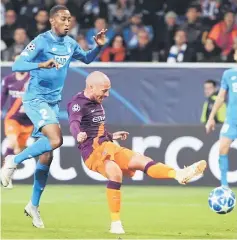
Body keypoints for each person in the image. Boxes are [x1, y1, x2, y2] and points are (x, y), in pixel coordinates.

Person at [1, 5, 107, 228]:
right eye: (63, 19)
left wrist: (97, 47)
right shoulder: (41, 41)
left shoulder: (69, 44)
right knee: (56, 140)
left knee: (47, 155)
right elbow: (18, 64)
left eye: (69, 19)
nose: (67, 22)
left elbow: (87, 59)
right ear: (52, 21)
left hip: (51, 103)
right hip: (35, 99)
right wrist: (40, 63)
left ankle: (33, 206)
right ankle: (13, 161)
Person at [67, 71, 207, 234]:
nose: (107, 94)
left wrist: (111, 136)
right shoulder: (78, 103)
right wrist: (78, 134)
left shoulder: (97, 102)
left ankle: (179, 174)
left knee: (142, 161)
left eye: (108, 90)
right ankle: (116, 223)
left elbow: (95, 129)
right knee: (115, 173)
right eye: (104, 90)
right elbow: (74, 123)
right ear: (91, 87)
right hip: (92, 151)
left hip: (106, 145)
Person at [206, 52, 237, 188]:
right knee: (222, 148)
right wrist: (211, 118)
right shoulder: (228, 74)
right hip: (232, 120)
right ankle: (224, 186)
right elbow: (220, 97)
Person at [1, 56, 33, 189]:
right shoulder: (8, 80)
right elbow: (3, 95)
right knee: (12, 141)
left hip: (28, 121)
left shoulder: (32, 80)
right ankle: (4, 174)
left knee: (18, 150)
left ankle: (6, 174)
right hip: (13, 118)